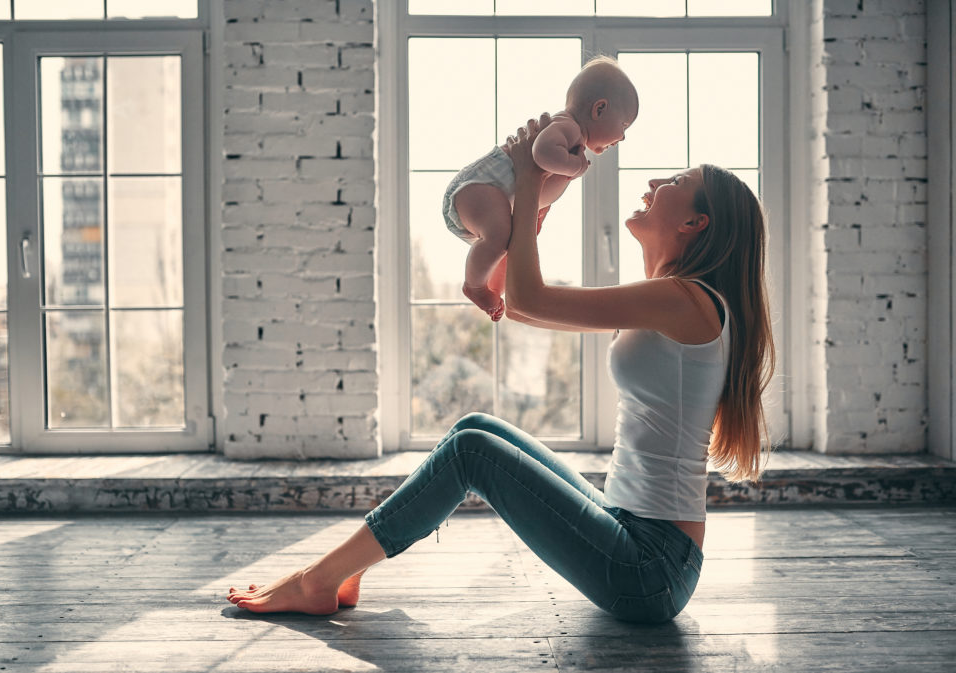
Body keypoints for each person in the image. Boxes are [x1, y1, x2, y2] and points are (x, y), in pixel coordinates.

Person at [227, 115, 774, 624]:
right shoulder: (676, 300)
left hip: (648, 568)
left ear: (694, 222)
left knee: (472, 453)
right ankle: (347, 570)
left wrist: (528, 174)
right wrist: (517, 219)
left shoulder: (681, 299)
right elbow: (523, 302)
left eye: (675, 179)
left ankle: (316, 580)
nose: (655, 179)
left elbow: (531, 298)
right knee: (475, 430)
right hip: (636, 537)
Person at [442, 56, 638, 321]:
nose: (623, 137)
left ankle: (493, 290)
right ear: (599, 109)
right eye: (624, 125)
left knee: (509, 243)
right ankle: (474, 286)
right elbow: (542, 152)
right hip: (478, 187)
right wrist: (576, 166)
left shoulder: (573, 134)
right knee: (500, 236)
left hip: (490, 196)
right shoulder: (568, 127)